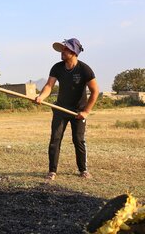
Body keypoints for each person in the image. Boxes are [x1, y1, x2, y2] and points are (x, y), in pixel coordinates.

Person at [35, 38, 99, 180]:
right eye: (63, 49)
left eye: (66, 49)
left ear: (74, 52)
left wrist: (86, 112)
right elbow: (49, 86)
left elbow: (95, 91)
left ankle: (83, 170)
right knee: (55, 139)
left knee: (78, 140)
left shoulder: (84, 69)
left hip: (78, 112)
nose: (62, 52)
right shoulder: (57, 67)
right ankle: (52, 171)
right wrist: (41, 97)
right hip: (60, 109)